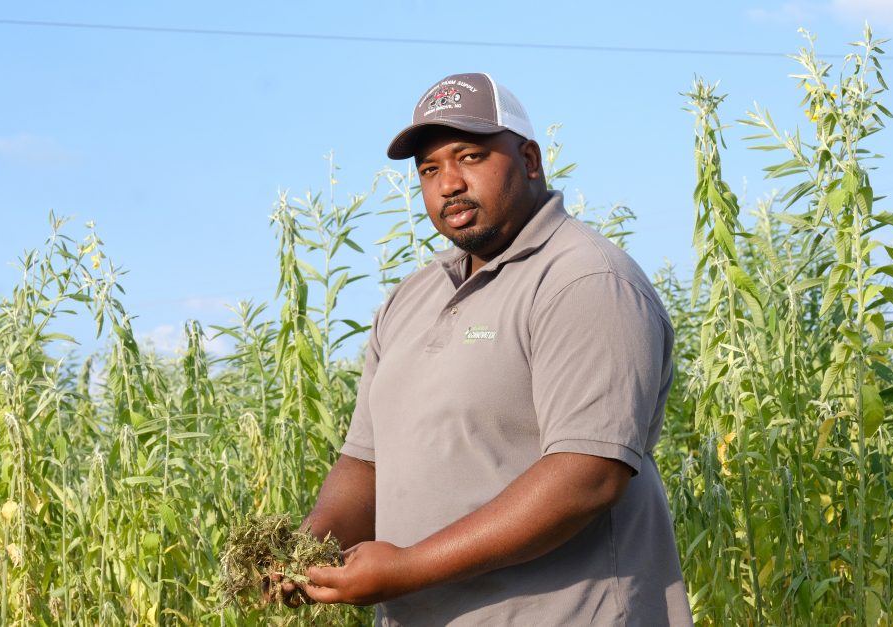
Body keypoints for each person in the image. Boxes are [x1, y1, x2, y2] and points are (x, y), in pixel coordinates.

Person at [276, 72, 692, 625]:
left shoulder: (585, 279)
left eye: (469, 157)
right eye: (429, 169)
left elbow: (587, 476)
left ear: (530, 160)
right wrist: (305, 551)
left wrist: (407, 568)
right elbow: (364, 464)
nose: (448, 184)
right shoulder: (410, 299)